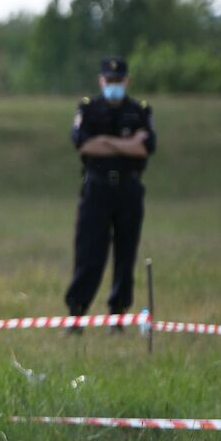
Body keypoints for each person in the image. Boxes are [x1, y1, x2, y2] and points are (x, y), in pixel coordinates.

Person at [64, 56, 156, 333]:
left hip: (129, 188)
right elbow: (83, 145)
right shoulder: (89, 109)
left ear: (126, 81)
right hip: (97, 187)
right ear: (101, 80)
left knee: (126, 253)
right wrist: (127, 143)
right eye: (109, 80)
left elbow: (146, 147)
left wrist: (104, 142)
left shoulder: (139, 110)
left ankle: (118, 315)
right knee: (89, 251)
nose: (114, 85)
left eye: (119, 81)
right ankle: (76, 314)